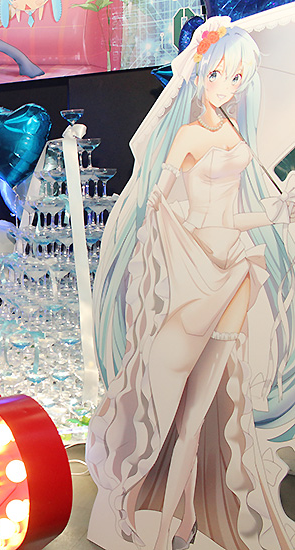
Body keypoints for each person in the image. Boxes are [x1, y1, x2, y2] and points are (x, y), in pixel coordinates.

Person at [87, 17, 295, 550]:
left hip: (234, 271)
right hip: (193, 275)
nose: (225, 86)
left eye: (237, 78)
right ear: (200, 72)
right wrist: (164, 250)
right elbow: (161, 206)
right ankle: (144, 508)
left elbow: (232, 216)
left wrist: (276, 214)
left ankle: (181, 526)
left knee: (201, 416)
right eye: (218, 74)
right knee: (165, 406)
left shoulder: (234, 132)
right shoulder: (187, 135)